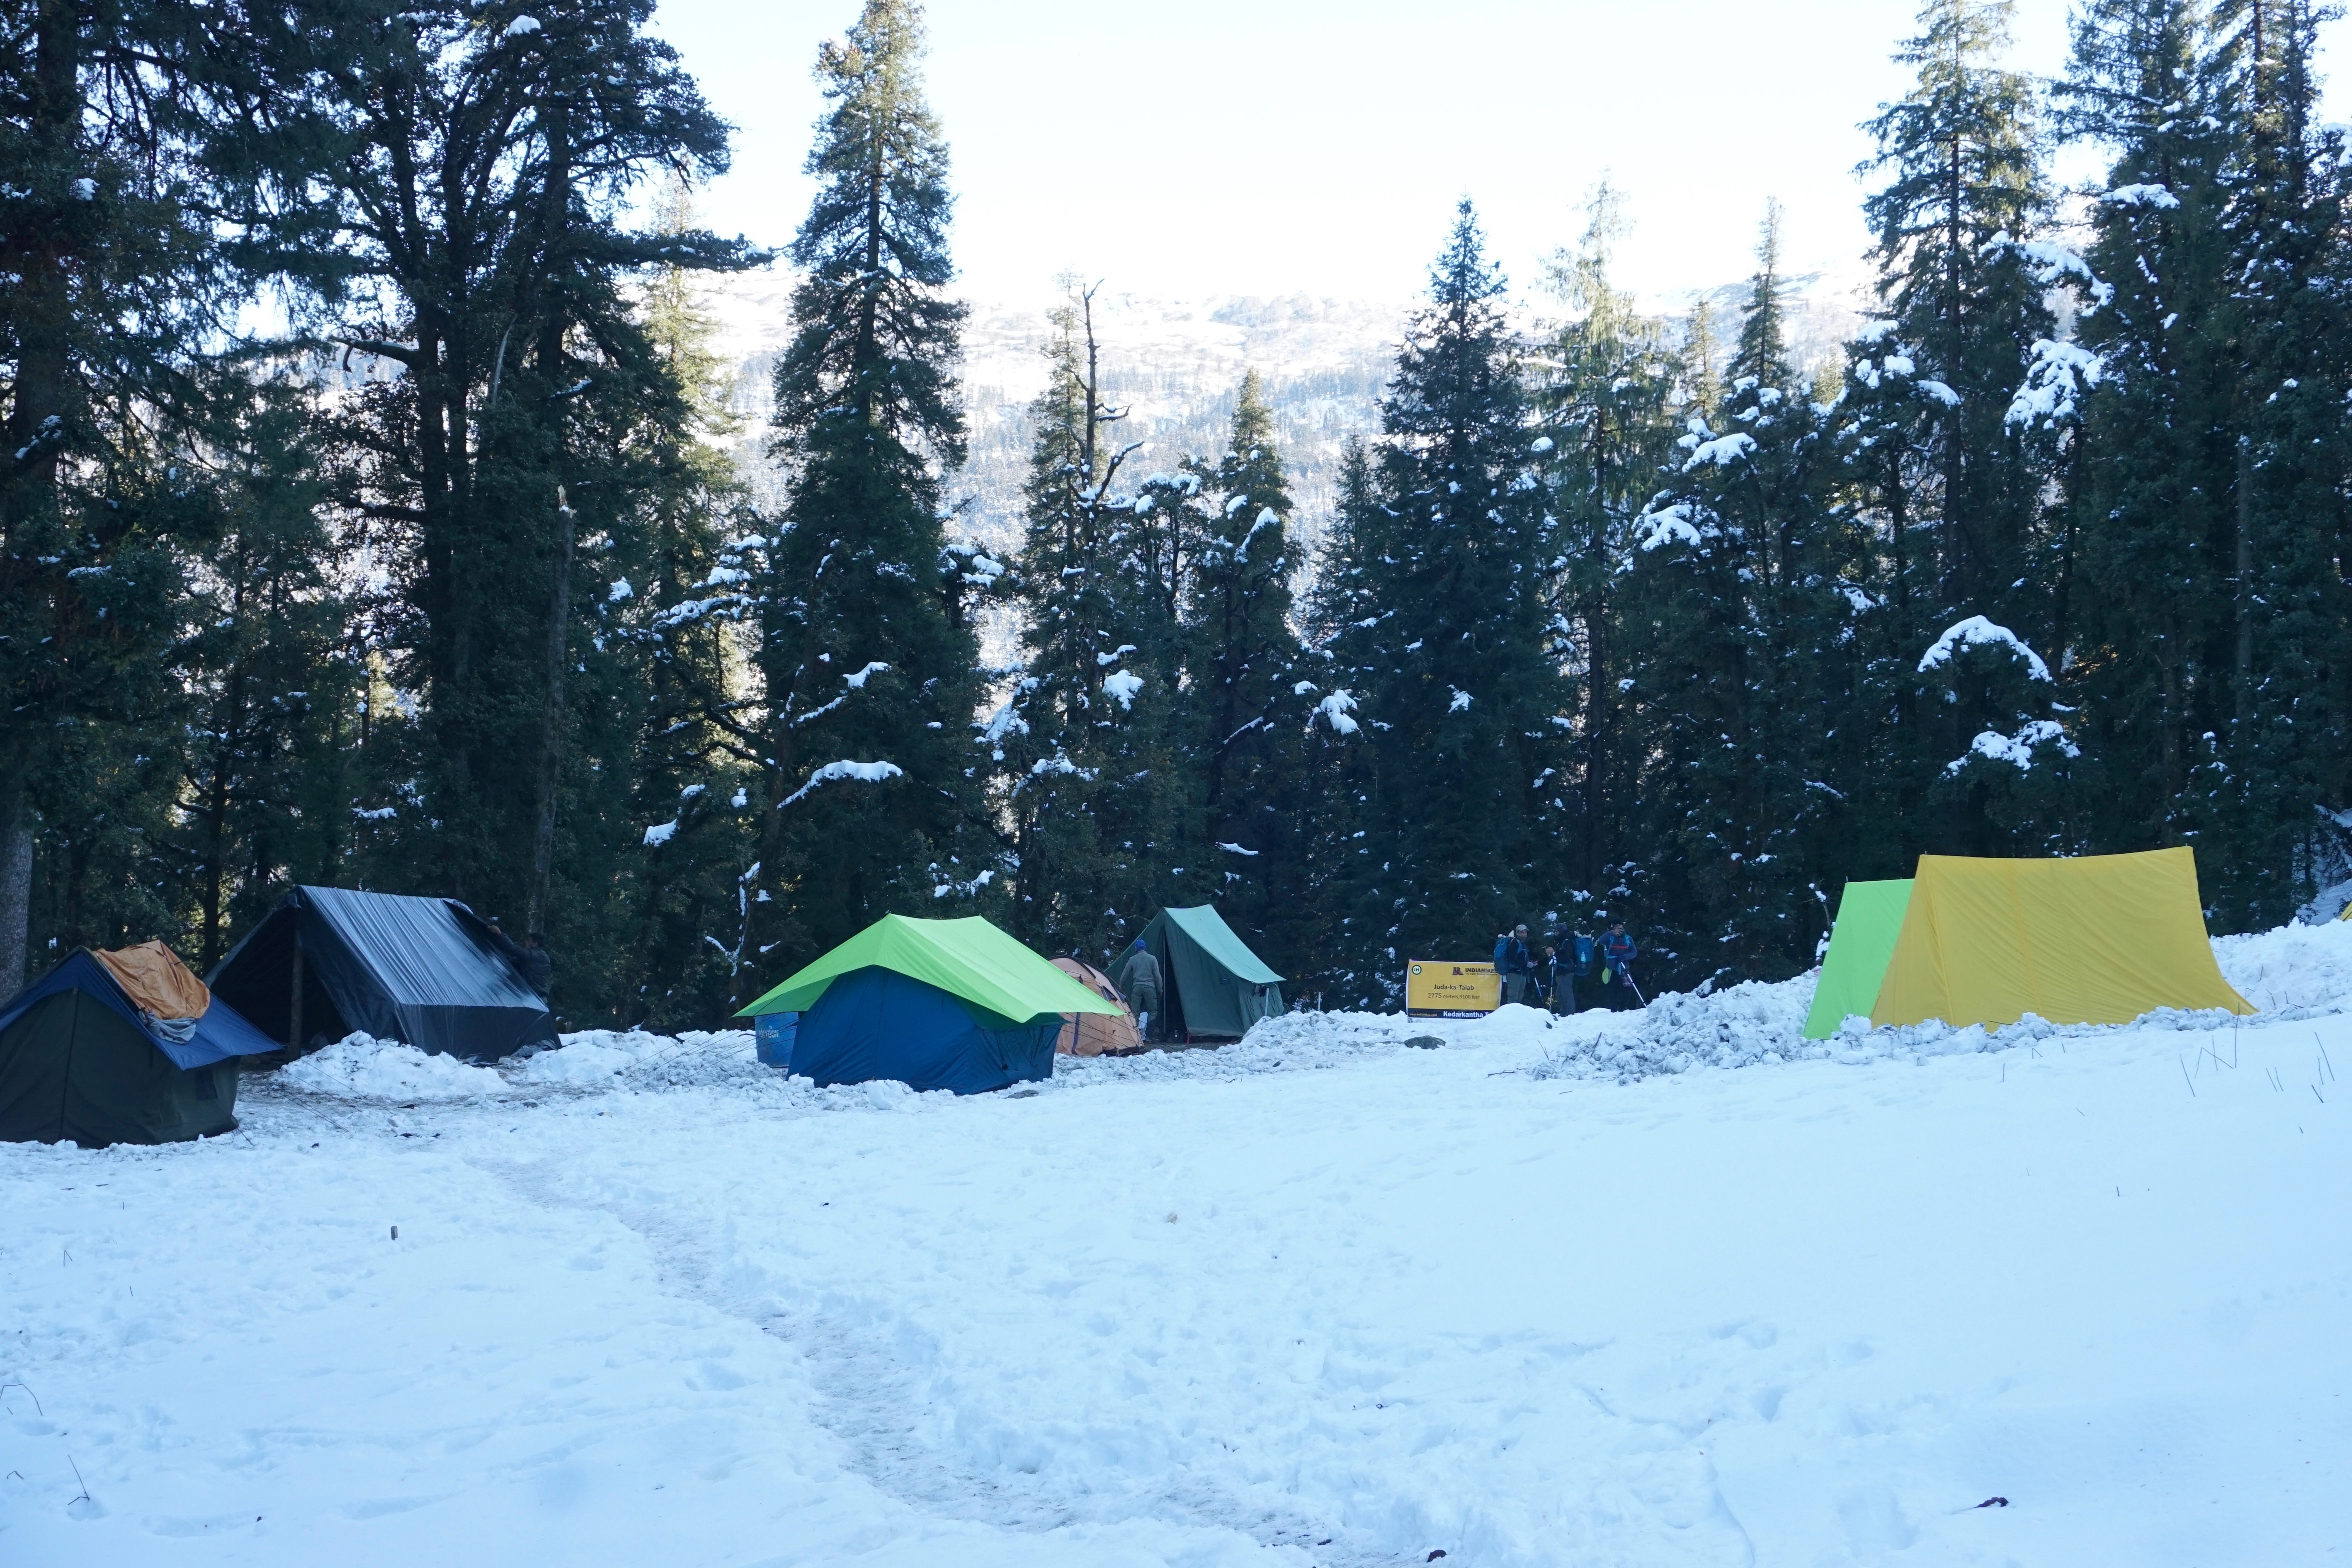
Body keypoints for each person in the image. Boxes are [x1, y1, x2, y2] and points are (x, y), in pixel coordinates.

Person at [1117, 937, 1163, 1041]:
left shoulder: (1133, 959)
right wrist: (1160, 989)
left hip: (1137, 987)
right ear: (1145, 947)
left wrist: (1121, 985)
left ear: (1136, 949)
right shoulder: (1152, 959)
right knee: (1152, 1012)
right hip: (1150, 987)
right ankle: (1150, 1036)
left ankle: (1135, 1037)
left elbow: (1125, 974)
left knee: (1135, 1012)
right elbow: (1157, 975)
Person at [1599, 919, 1639, 1009]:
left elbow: (1634, 952)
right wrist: (1611, 933)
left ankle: (1623, 1008)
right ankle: (1613, 1009)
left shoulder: (1628, 938)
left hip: (1624, 968)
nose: (1619, 928)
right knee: (1612, 991)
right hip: (1612, 968)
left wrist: (1625, 957)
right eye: (1616, 926)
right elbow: (1601, 940)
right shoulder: (1610, 938)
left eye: (1620, 925)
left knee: (1628, 989)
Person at [1493, 923, 1534, 1007]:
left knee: (1519, 998)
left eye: (1525, 932)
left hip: (1522, 974)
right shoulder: (1515, 942)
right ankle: (1510, 1017)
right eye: (1522, 932)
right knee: (1513, 998)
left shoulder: (1523, 944)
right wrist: (1527, 964)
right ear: (1517, 933)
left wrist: (1531, 963)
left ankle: (1516, 1017)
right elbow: (1512, 959)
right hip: (1514, 973)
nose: (1524, 934)